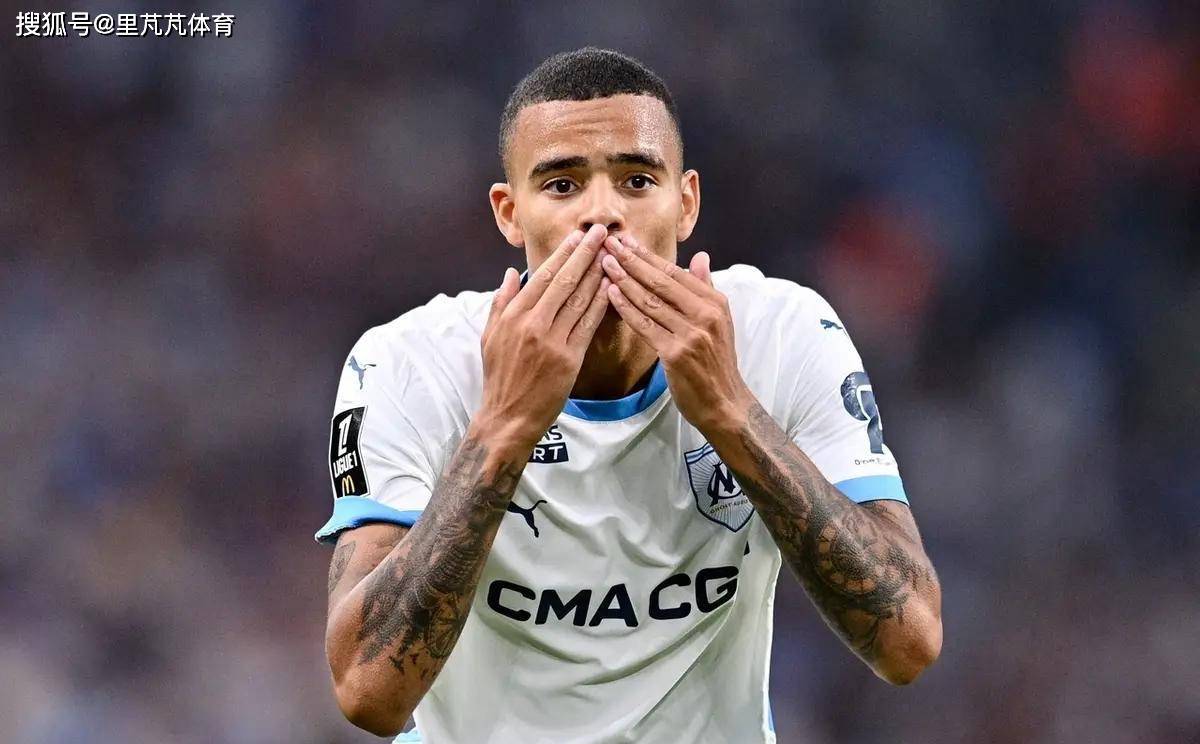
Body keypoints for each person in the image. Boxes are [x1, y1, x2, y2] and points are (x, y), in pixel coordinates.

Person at [317, 47, 942, 743]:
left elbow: (910, 641)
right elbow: (367, 692)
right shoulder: (411, 363)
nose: (602, 214)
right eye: (561, 185)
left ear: (686, 202)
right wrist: (503, 428)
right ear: (509, 213)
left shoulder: (782, 335)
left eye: (637, 180)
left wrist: (732, 413)